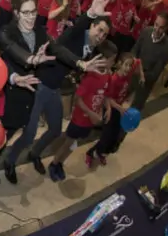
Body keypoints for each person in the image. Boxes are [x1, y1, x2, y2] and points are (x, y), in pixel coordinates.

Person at [0, 0, 110, 185]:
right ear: (17, 13)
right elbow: (13, 49)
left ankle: (34, 154)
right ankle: (1, 163)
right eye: (26, 12)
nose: (31, 17)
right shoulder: (6, 31)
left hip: (47, 88)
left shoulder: (39, 31)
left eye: (34, 11)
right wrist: (32, 59)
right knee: (18, 134)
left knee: (54, 129)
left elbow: (58, 49)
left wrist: (81, 64)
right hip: (25, 89)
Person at [49, 40, 117, 181]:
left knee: (74, 144)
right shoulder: (91, 77)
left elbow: (104, 95)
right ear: (101, 59)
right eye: (111, 60)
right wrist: (91, 113)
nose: (113, 63)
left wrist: (108, 107)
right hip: (79, 120)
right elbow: (78, 100)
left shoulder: (108, 76)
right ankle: (54, 163)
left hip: (90, 121)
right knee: (68, 143)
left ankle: (60, 163)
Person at [131, 11, 168, 111]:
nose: (157, 29)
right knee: (120, 96)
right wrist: (133, 61)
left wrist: (141, 73)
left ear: (166, 28)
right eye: (156, 25)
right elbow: (135, 49)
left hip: (146, 81)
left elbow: (155, 74)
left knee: (136, 107)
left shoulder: (167, 48)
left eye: (161, 27)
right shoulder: (146, 31)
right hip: (133, 71)